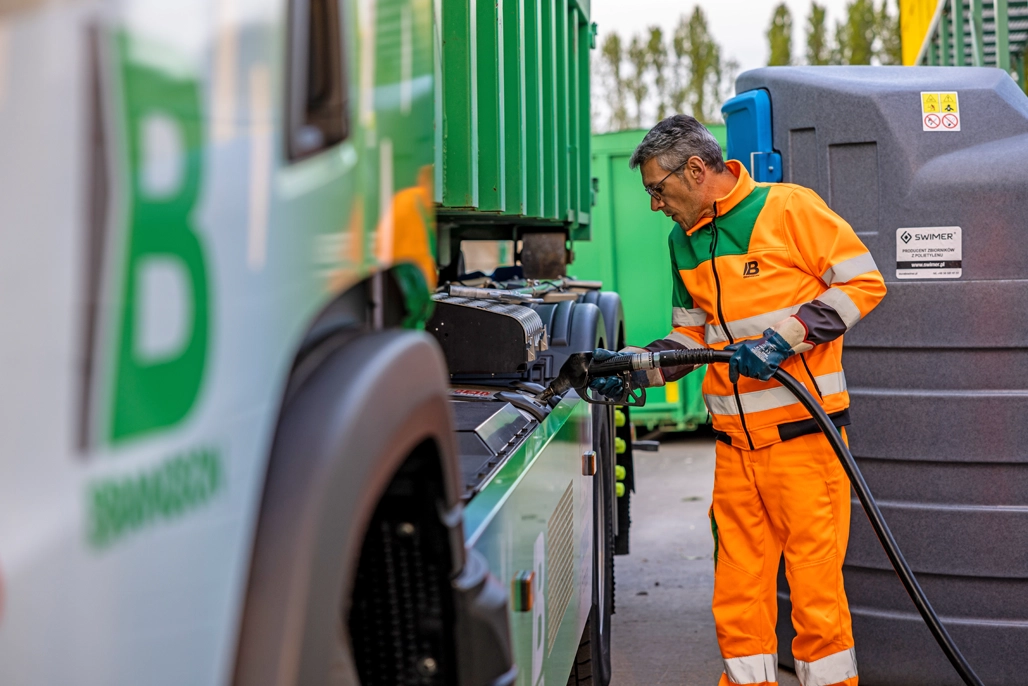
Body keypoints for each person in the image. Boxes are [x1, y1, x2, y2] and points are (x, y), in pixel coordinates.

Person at [589, 114, 886, 686]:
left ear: (696, 170)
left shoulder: (788, 209)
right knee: (738, 603)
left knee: (816, 606)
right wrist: (635, 370)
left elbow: (863, 282)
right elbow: (691, 342)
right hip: (735, 455)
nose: (655, 205)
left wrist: (785, 339)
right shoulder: (683, 241)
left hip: (805, 445)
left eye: (658, 190)